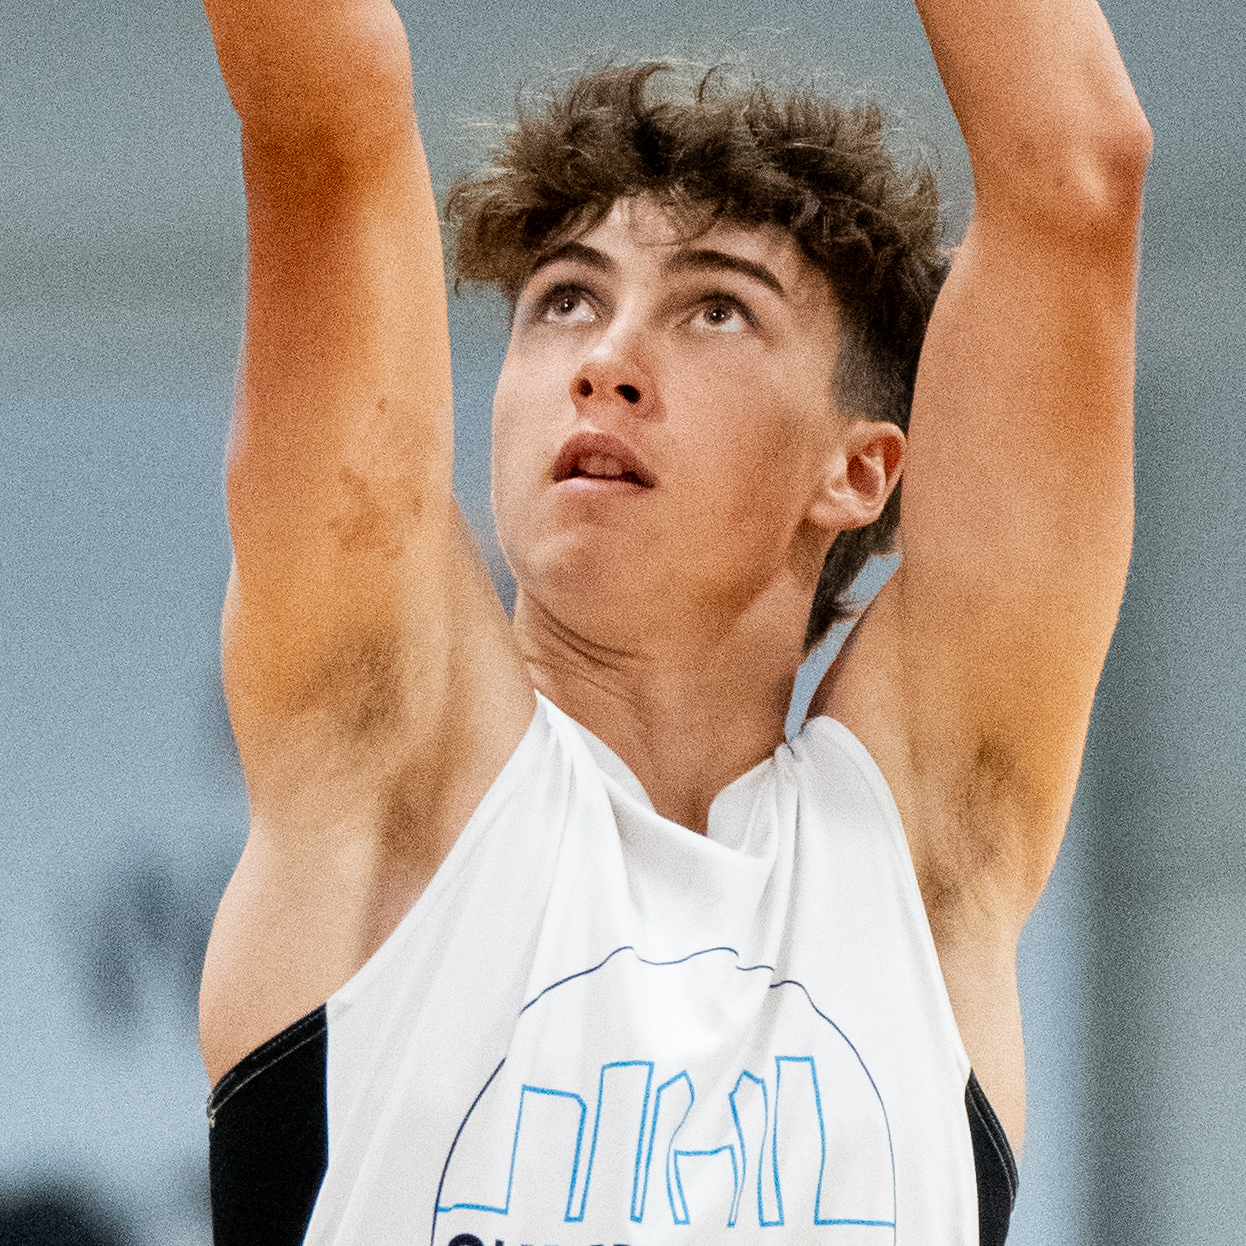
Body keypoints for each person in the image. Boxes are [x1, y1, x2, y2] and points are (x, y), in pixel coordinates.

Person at [197, 0, 1150, 1241]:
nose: (605, 360)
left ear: (858, 470)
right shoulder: (389, 766)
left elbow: (1076, 171)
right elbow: (327, 110)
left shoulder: (916, 859)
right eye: (564, 300)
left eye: (714, 309)